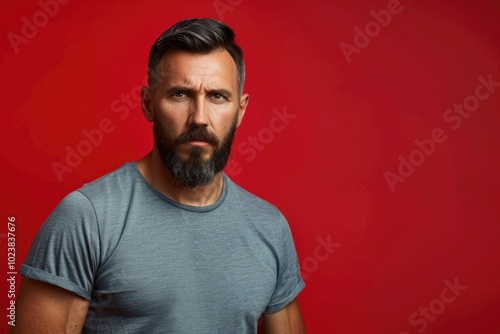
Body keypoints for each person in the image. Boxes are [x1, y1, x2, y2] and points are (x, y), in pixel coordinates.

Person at [14, 18, 305, 333]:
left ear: (241, 111)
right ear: (148, 103)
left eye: (217, 97)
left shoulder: (269, 227)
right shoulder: (87, 218)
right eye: (180, 94)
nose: (199, 118)